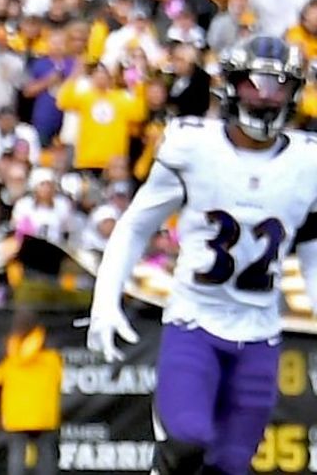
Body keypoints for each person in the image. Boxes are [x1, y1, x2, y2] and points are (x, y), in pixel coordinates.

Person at [88, 36, 317, 475]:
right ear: (230, 87)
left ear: (295, 92)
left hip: (260, 333)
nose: (265, 97)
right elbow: (135, 225)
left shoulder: (306, 162)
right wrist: (105, 300)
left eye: (276, 86)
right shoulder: (194, 147)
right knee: (187, 438)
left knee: (232, 465)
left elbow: (310, 249)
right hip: (194, 322)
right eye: (254, 84)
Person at [0, 308, 63, 475]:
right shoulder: (51, 347)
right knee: (46, 456)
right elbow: (59, 378)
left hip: (16, 415)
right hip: (44, 414)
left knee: (17, 456)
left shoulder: (5, 350)